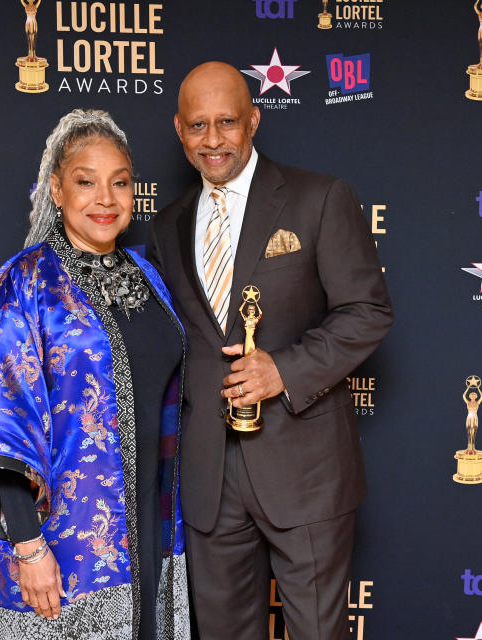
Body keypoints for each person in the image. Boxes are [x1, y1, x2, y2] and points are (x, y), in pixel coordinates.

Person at [148, 62, 393, 640]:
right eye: (198, 125)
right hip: (209, 476)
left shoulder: (320, 198)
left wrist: (283, 369)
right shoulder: (167, 226)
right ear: (179, 130)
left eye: (227, 122)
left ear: (254, 120)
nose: (213, 140)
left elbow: (369, 310)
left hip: (304, 469)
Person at [0, 109, 189, 640]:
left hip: (155, 531)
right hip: (64, 545)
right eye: (86, 183)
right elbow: (2, 422)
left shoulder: (147, 274)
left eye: (120, 183)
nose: (105, 199)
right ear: (56, 191)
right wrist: (29, 546)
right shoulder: (24, 281)